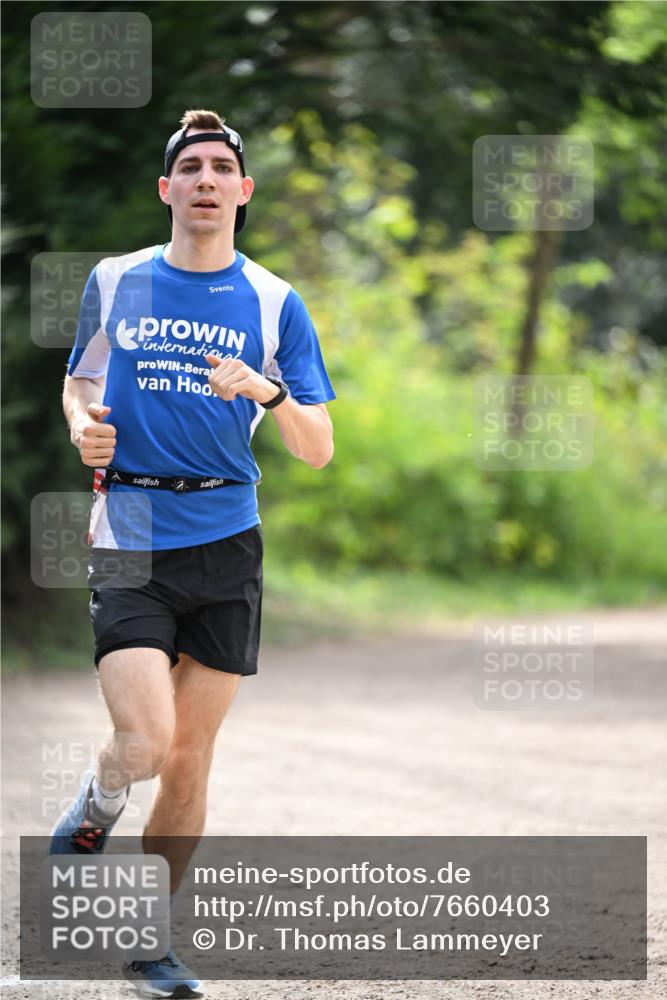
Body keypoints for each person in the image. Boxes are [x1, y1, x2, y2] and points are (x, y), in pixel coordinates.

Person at [50, 108, 335, 997]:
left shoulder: (273, 302)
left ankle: (149, 943)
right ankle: (97, 803)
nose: (206, 180)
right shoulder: (116, 279)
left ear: (242, 193)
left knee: (188, 759)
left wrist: (268, 388)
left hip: (225, 538)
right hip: (130, 526)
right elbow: (80, 379)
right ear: (166, 189)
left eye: (222, 169)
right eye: (192, 168)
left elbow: (316, 445)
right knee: (143, 742)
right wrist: (83, 429)